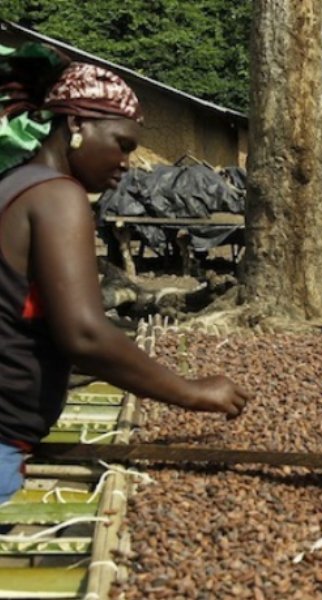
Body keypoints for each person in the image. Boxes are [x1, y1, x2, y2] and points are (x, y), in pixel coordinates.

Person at [0, 44, 250, 503]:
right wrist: (193, 392)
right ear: (76, 125)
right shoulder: (58, 196)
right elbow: (85, 335)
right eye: (122, 145)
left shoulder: (15, 184)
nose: (127, 164)